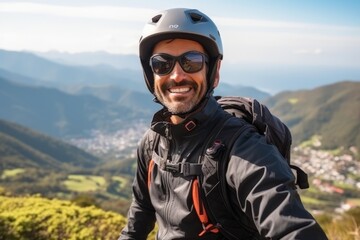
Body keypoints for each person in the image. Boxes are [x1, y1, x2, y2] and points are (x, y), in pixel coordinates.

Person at [119, 8, 328, 240]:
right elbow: (140, 211)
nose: (177, 75)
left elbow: (290, 226)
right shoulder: (151, 143)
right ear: (151, 75)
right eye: (161, 64)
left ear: (214, 72)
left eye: (191, 61)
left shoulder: (243, 147)